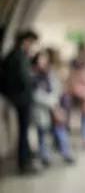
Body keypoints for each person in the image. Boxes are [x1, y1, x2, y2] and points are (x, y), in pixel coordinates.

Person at [1, 30, 38, 174]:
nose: (32, 46)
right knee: (23, 131)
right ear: (26, 41)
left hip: (17, 98)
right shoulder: (19, 56)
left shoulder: (12, 55)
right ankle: (24, 163)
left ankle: (25, 159)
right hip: (22, 99)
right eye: (32, 43)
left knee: (23, 131)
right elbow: (24, 78)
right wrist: (33, 80)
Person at [30, 51, 74, 167]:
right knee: (42, 134)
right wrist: (50, 101)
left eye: (45, 59)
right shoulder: (33, 76)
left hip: (54, 108)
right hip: (42, 110)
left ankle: (66, 153)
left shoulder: (50, 74)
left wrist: (54, 101)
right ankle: (45, 157)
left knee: (60, 131)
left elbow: (57, 88)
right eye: (41, 59)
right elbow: (35, 95)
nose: (43, 62)